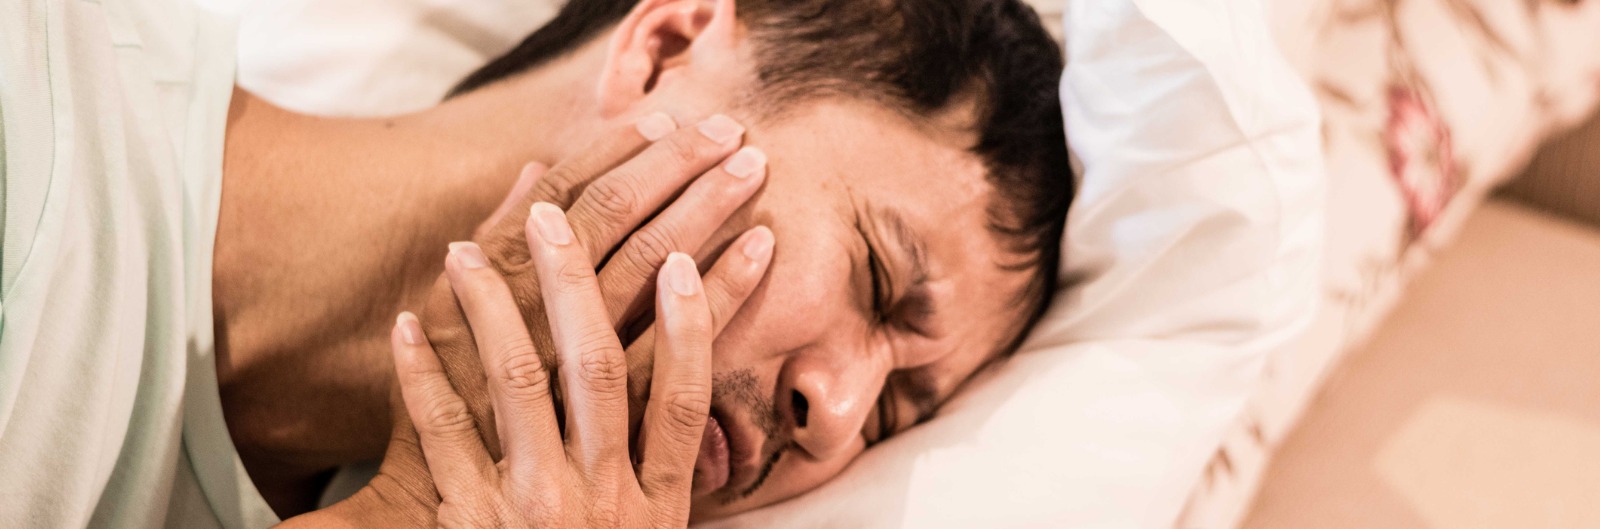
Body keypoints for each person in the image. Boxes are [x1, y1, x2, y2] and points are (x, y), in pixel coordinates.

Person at [0, 0, 1070, 526]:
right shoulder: (37, 88)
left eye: (893, 416)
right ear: (665, 50)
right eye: (877, 275)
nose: (835, 414)